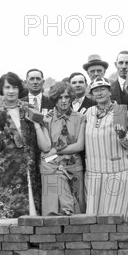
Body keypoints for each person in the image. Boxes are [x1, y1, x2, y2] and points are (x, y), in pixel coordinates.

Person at [0, 72, 41, 218]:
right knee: (7, 217)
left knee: (31, 214)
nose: (11, 91)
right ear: (1, 89)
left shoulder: (29, 108)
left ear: (20, 89)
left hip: (29, 168)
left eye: (14, 87)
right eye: (7, 87)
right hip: (6, 171)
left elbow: (37, 137)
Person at [84, 77, 128, 216]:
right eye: (95, 90)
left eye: (102, 89)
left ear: (109, 91)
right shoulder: (89, 112)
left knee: (118, 219)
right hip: (93, 174)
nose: (99, 93)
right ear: (91, 94)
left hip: (116, 173)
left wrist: (122, 135)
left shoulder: (120, 111)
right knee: (94, 220)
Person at [35, 82, 87, 215]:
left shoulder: (80, 118)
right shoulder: (47, 119)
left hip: (74, 167)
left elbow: (79, 146)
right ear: (54, 99)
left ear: (71, 98)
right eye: (59, 97)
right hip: (52, 167)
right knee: (53, 208)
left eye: (66, 97)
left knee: (76, 208)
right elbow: (46, 147)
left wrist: (56, 150)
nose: (63, 101)